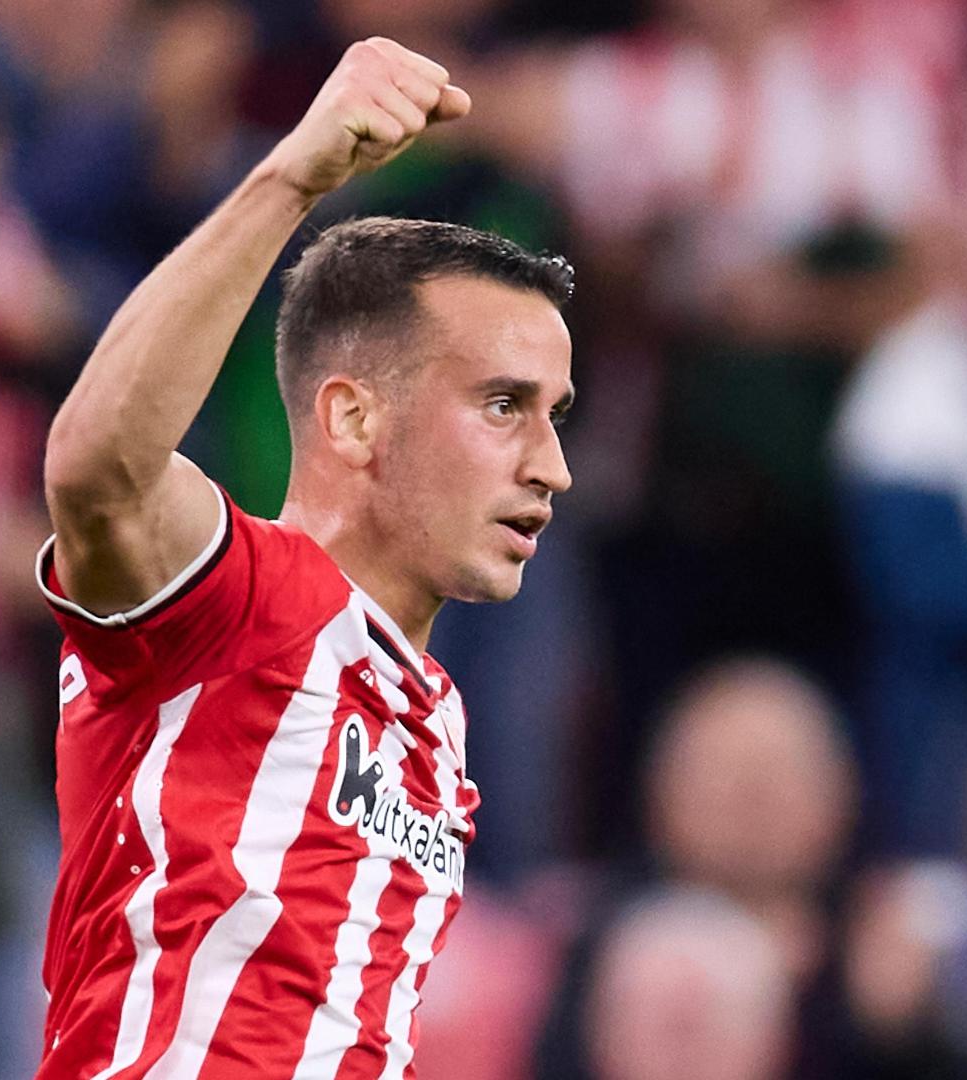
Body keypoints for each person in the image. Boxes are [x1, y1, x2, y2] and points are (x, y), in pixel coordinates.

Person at [37, 35, 574, 1078]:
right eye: (504, 407)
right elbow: (97, 472)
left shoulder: (440, 730)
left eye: (555, 416)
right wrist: (291, 178)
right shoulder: (232, 598)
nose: (553, 466)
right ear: (356, 417)